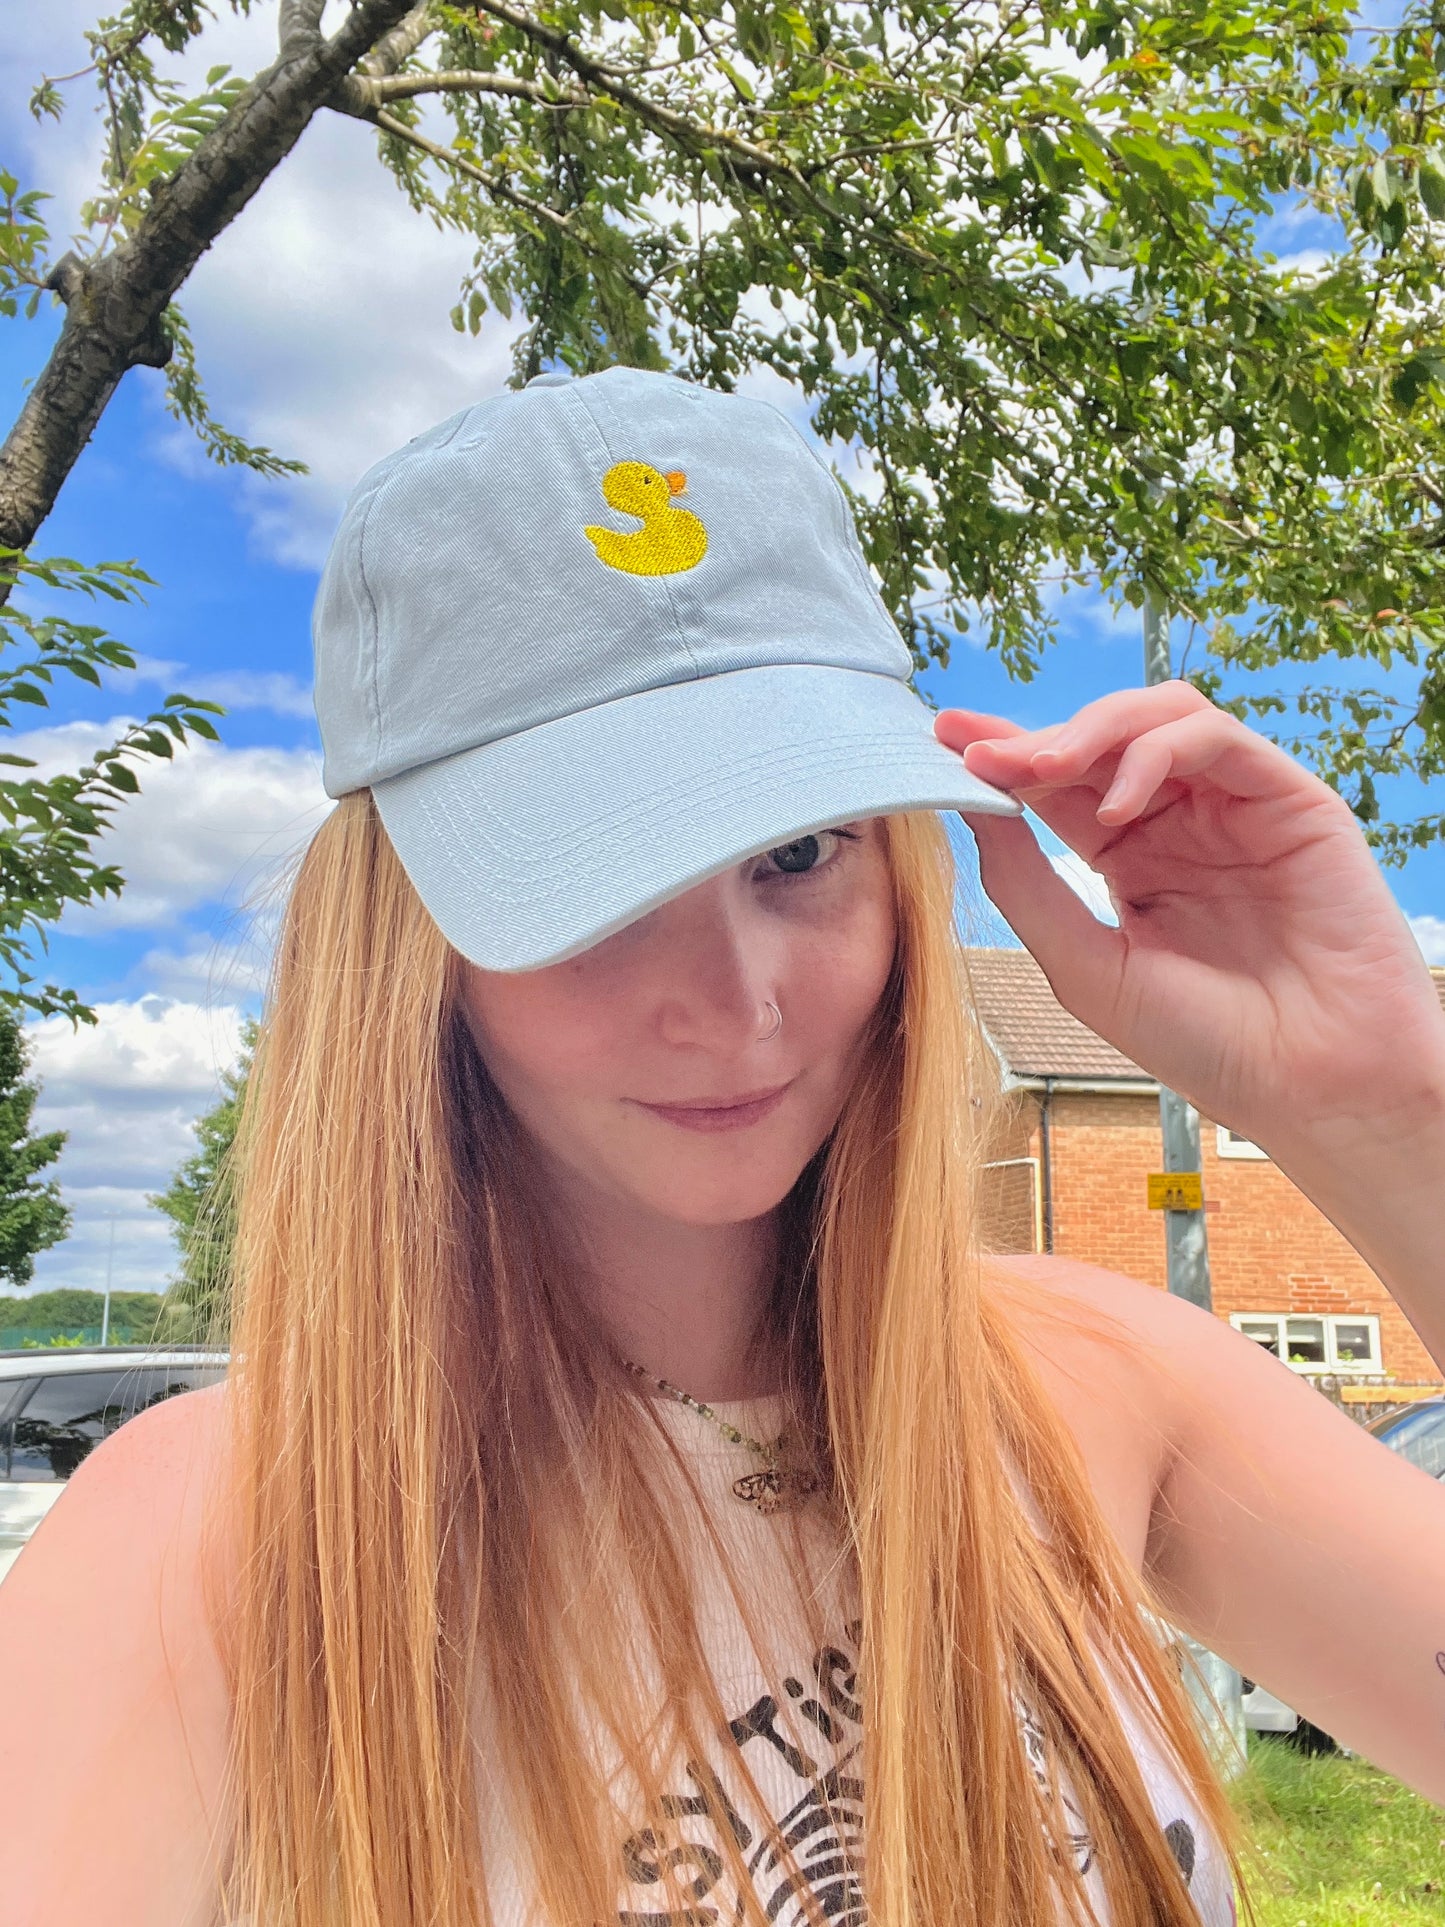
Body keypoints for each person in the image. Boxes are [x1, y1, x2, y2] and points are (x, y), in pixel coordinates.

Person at [2, 366, 1443, 1927]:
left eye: (797, 852)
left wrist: (1378, 1110)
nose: (738, 1005)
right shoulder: (215, 1537)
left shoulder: (1097, 1382)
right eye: (598, 888)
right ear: (404, 949)